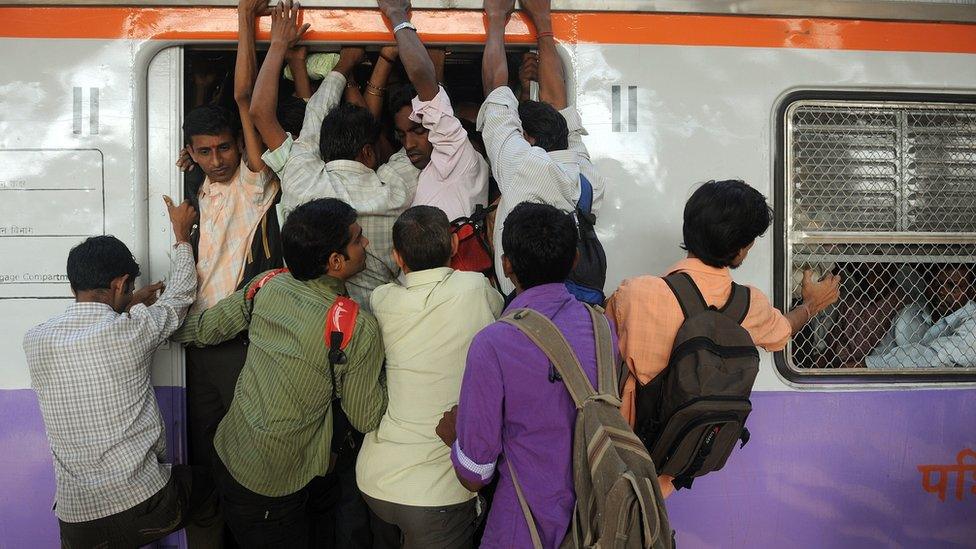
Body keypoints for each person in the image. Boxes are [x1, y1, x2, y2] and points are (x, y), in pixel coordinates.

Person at [172, 198, 387, 546]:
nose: (366, 244)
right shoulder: (357, 327)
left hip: (229, 454)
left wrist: (148, 319)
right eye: (358, 239)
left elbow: (202, 329)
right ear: (335, 261)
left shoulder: (267, 284)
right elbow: (366, 417)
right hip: (275, 488)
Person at [605, 179, 841, 497]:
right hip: (674, 462)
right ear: (740, 249)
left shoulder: (634, 294)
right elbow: (782, 333)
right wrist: (811, 305)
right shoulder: (748, 304)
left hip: (618, 454)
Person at [23, 197, 220, 547]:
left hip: (77, 523)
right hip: (147, 504)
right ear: (120, 284)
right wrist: (181, 236)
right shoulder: (133, 330)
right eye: (127, 288)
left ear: (73, 286)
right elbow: (181, 294)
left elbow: (96, 328)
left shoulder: (35, 341)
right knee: (210, 494)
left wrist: (129, 301)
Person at [434, 202, 615, 548]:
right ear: (575, 260)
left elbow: (475, 474)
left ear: (506, 265)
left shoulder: (494, 344)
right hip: (596, 517)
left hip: (522, 527)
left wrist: (454, 437)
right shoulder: (603, 328)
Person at [249, 0, 420, 311]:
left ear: (322, 149)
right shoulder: (395, 190)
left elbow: (290, 116)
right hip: (375, 328)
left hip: (309, 322)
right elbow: (426, 141)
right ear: (369, 151)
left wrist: (342, 66)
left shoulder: (302, 179)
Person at [356, 206, 503, 548]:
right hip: (438, 492)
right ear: (454, 245)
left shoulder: (382, 299)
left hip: (376, 478)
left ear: (396, 257)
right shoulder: (475, 288)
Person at [478, 0, 606, 296]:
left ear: (528, 138)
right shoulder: (588, 178)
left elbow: (495, 92)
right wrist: (544, 25)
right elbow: (561, 108)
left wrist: (496, 18)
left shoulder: (524, 166)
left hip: (527, 314)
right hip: (575, 312)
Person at [377, 0, 490, 222]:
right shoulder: (432, 168)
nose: (408, 145)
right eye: (401, 135)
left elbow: (421, 74)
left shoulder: (456, 154)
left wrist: (397, 14)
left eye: (418, 130)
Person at [858, 263, 976, 368]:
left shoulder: (973, 321)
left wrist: (868, 364)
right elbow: (881, 352)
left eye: (953, 286)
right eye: (936, 284)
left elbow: (933, 356)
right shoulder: (909, 312)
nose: (942, 291)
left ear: (971, 291)